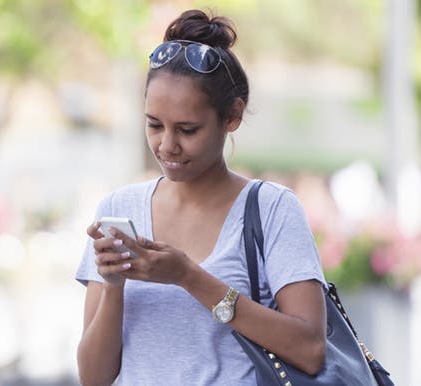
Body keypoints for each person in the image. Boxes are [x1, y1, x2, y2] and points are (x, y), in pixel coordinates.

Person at [75, 9, 327, 386]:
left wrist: (188, 277)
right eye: (154, 125)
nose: (167, 146)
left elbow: (309, 350)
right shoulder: (119, 208)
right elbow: (93, 378)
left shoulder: (271, 208)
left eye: (187, 129)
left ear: (233, 116)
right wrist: (114, 286)